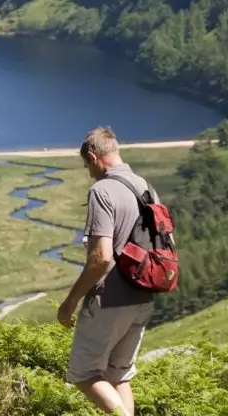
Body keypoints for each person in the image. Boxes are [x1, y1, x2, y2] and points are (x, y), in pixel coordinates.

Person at [57, 127, 156, 416]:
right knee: (119, 375)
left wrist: (71, 301)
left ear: (92, 155)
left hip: (110, 297)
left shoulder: (102, 190)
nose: (89, 172)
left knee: (84, 373)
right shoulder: (146, 187)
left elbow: (101, 257)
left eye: (87, 165)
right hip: (144, 296)